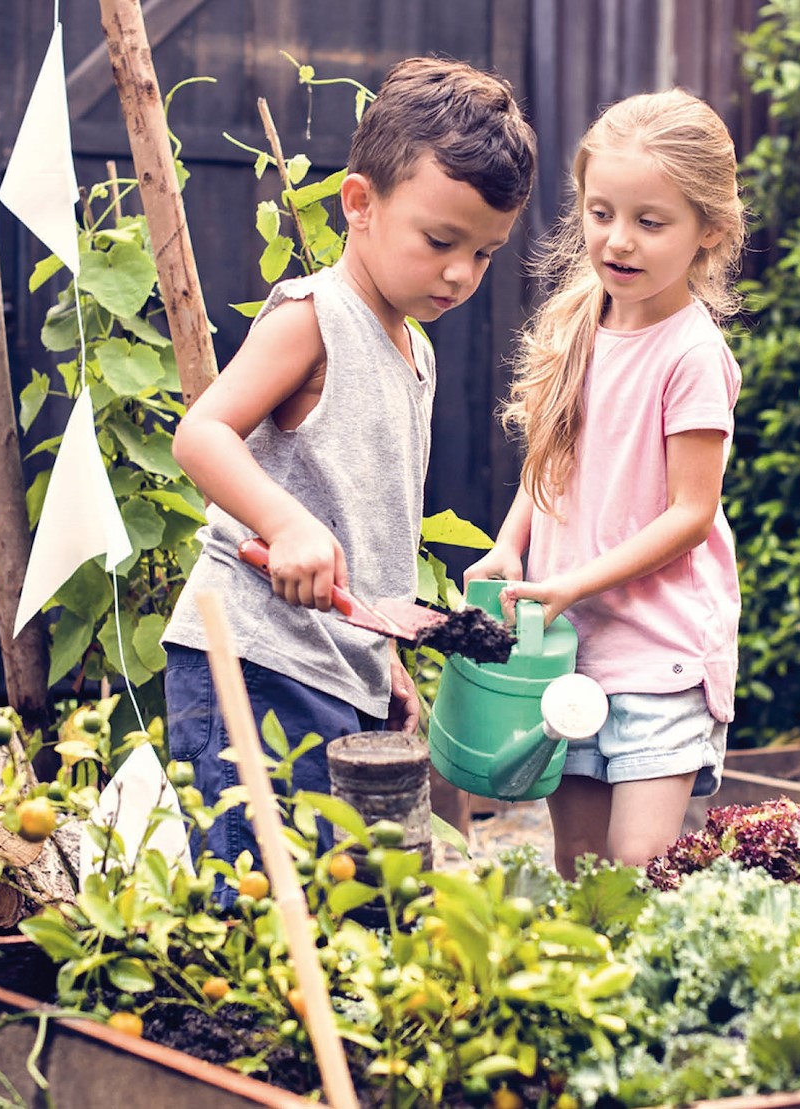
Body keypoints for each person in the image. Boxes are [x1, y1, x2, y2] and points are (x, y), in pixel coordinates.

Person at [162, 57, 537, 898]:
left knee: (341, 904)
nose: (460, 274)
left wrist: (382, 656)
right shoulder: (314, 317)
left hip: (337, 665)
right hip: (252, 662)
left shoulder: (417, 352)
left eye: (484, 253)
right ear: (359, 204)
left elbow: (367, 515)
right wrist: (286, 523)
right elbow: (202, 433)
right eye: (440, 242)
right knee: (260, 901)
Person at [465, 89, 746, 880]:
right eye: (600, 213)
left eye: (650, 223)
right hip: (568, 650)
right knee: (578, 863)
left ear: (708, 233)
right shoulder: (582, 318)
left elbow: (692, 514)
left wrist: (569, 582)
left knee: (636, 864)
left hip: (659, 659)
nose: (618, 241)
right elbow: (553, 453)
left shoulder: (691, 355)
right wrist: (509, 545)